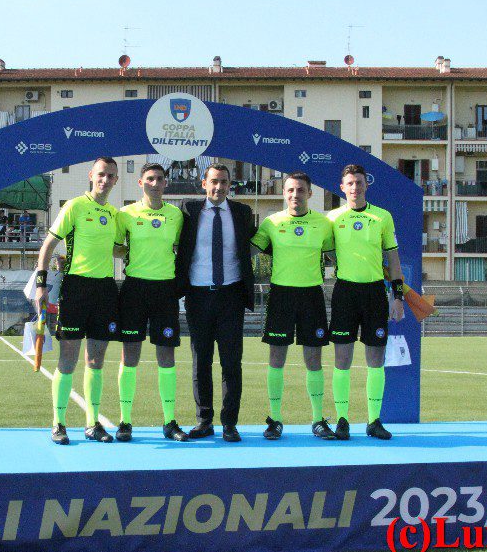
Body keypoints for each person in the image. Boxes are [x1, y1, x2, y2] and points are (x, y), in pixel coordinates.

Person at [34, 158, 123, 445]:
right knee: (68, 360)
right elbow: (48, 245)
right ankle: (58, 423)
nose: (105, 180)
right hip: (75, 290)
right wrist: (41, 284)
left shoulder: (114, 214)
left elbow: (118, 250)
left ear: (115, 180)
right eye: (101, 175)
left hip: (106, 290)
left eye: (110, 176)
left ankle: (92, 424)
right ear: (91, 176)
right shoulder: (74, 206)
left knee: (96, 360)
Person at [251, 172, 335, 440]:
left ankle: (318, 420)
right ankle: (275, 419)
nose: (294, 195)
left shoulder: (323, 224)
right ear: (284, 193)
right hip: (281, 297)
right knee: (276, 359)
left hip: (312, 296)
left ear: (310, 193)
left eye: (300, 190)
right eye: (289, 190)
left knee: (314, 360)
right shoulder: (271, 223)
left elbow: (337, 254)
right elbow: (248, 253)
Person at [175, 163, 256, 442]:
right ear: (203, 183)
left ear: (230, 184)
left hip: (231, 295)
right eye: (214, 182)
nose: (219, 187)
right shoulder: (188, 211)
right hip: (198, 295)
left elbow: (253, 247)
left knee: (232, 363)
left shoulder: (243, 213)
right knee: (202, 362)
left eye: (224, 182)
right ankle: (204, 420)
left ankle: (229, 423)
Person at [327, 164, 405, 441]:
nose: (355, 187)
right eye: (350, 183)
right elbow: (323, 252)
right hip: (345, 293)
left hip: (374, 294)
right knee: (342, 359)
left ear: (366, 185)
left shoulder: (382, 217)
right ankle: (342, 420)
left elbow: (393, 260)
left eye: (359, 182)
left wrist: (398, 297)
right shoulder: (332, 218)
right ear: (342, 187)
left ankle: (373, 420)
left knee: (375, 359)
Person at [113, 163, 189, 442]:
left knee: (166, 356)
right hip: (134, 289)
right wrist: (132, 254)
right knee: (129, 355)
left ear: (166, 183)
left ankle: (169, 421)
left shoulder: (176, 216)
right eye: (150, 179)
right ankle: (125, 421)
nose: (155, 183)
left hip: (165, 292)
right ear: (140, 183)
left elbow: (183, 249)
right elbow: (114, 246)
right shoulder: (126, 214)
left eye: (159, 179)